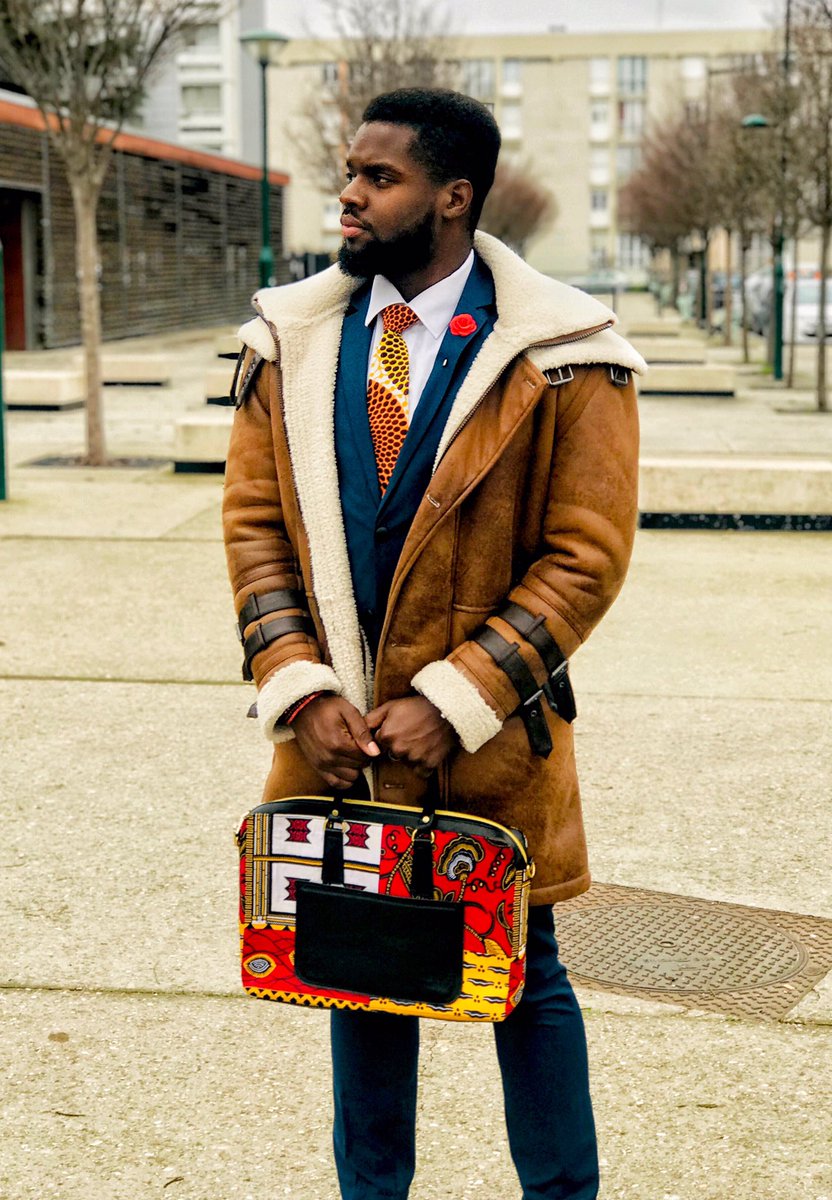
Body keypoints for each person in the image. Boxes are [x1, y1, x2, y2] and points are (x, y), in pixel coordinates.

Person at [223, 87, 644, 1200]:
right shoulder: (290, 340)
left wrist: (458, 697)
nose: (350, 196)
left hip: (493, 746)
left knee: (526, 982)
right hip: (338, 738)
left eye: (380, 177)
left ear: (454, 197)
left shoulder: (566, 351)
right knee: (356, 973)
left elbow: (586, 557)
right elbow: (255, 529)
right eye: (350, 174)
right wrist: (299, 687)